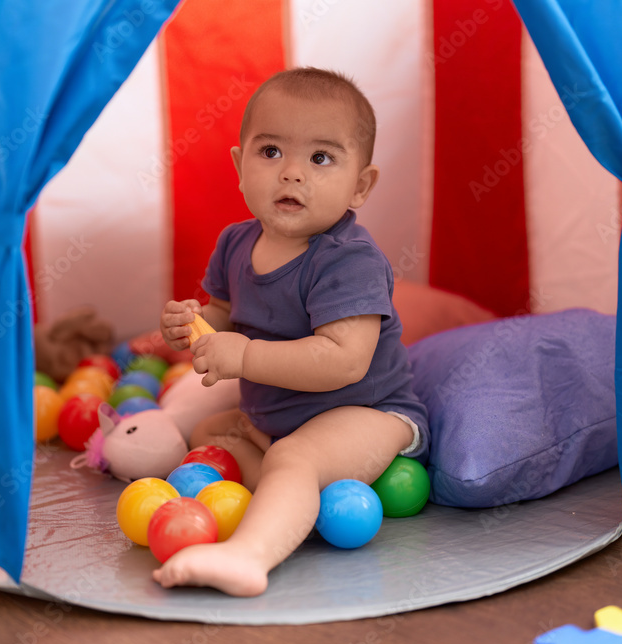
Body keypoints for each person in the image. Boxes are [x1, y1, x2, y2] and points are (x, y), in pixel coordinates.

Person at [157, 67, 429, 597]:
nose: (292, 174)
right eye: (271, 152)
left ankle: (250, 555)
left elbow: (343, 361)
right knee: (209, 435)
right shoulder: (235, 243)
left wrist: (246, 357)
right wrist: (193, 326)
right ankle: (297, 505)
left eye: (320, 158)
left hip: (366, 415)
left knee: (293, 458)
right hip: (274, 416)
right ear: (239, 166)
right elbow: (224, 318)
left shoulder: (348, 260)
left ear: (360, 186)